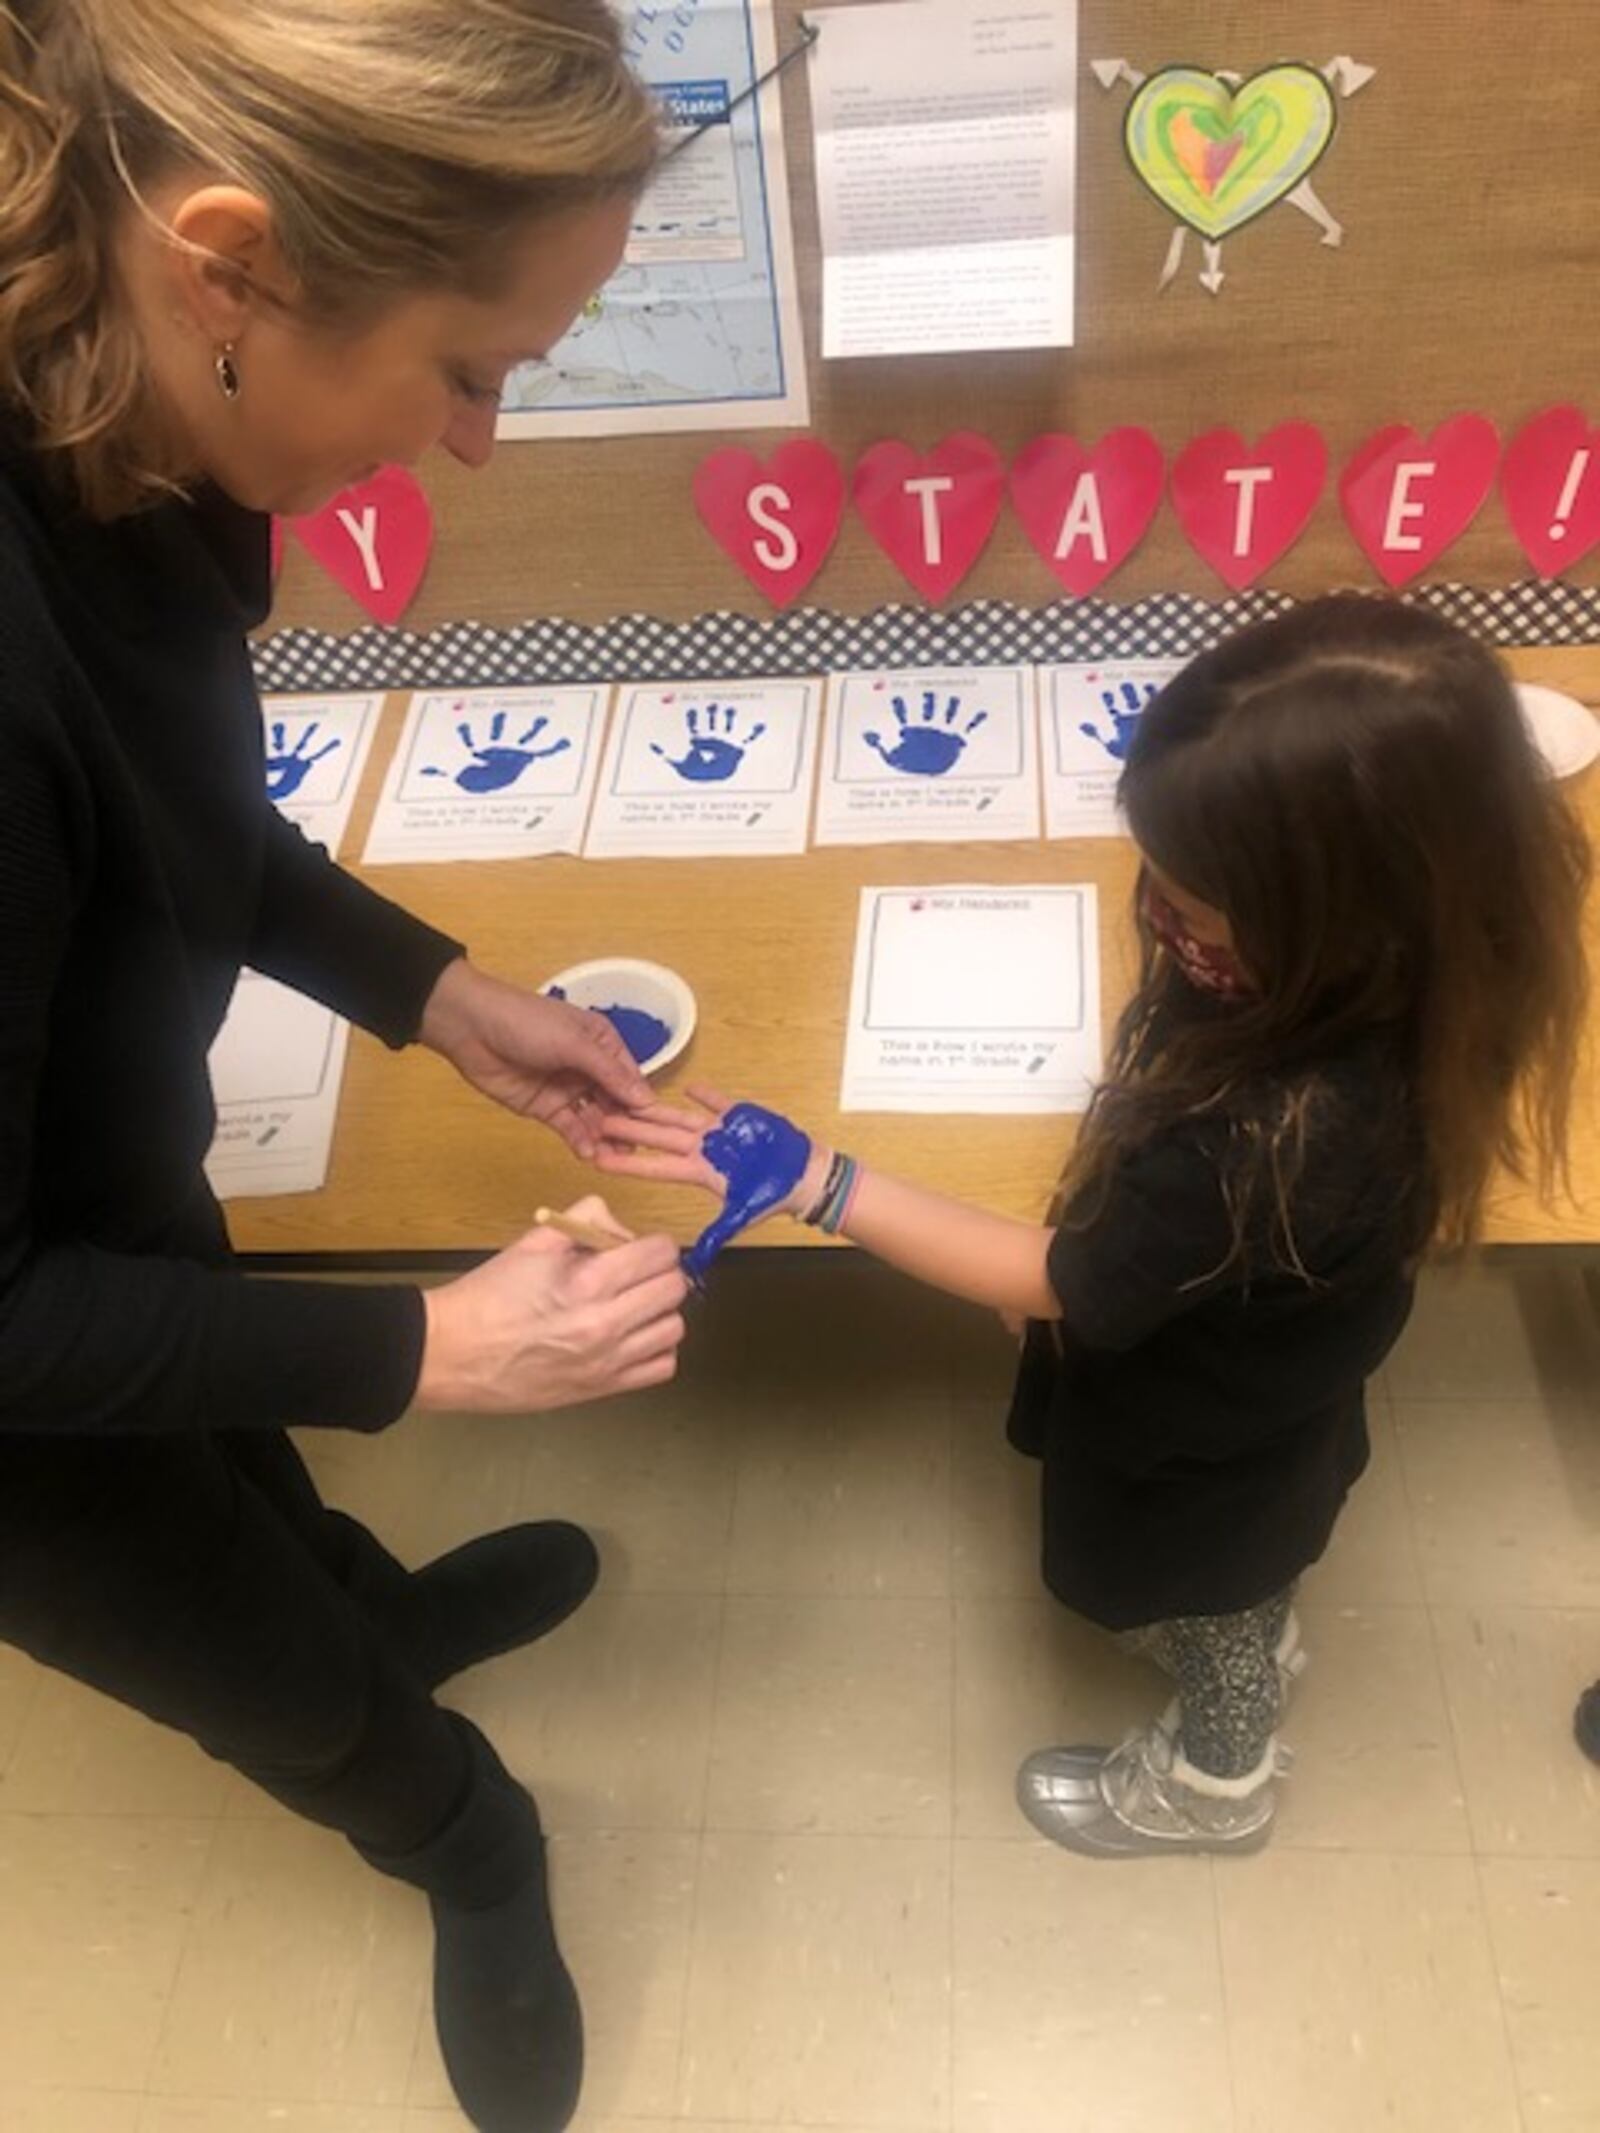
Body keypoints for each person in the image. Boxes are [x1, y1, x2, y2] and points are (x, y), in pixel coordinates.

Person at [0, 4, 687, 2128]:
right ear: (228, 266)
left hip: (85, 1185)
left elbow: (159, 813)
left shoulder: (126, 428)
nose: (476, 439)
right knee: (260, 1666)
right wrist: (425, 1345)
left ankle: (379, 1601)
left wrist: (428, 985)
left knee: (255, 1467)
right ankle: (468, 1837)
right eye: (468, 366)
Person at [597, 598, 1590, 1857]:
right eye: (1160, 879)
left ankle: (1215, 1788)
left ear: (1337, 911)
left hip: (1210, 1443)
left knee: (1209, 1608)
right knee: (1244, 1566)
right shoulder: (1432, 973)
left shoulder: (1268, 1138)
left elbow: (1055, 1279)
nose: (1162, 919)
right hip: (1273, 1377)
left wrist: (818, 1178)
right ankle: (1246, 1629)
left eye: (1194, 903)